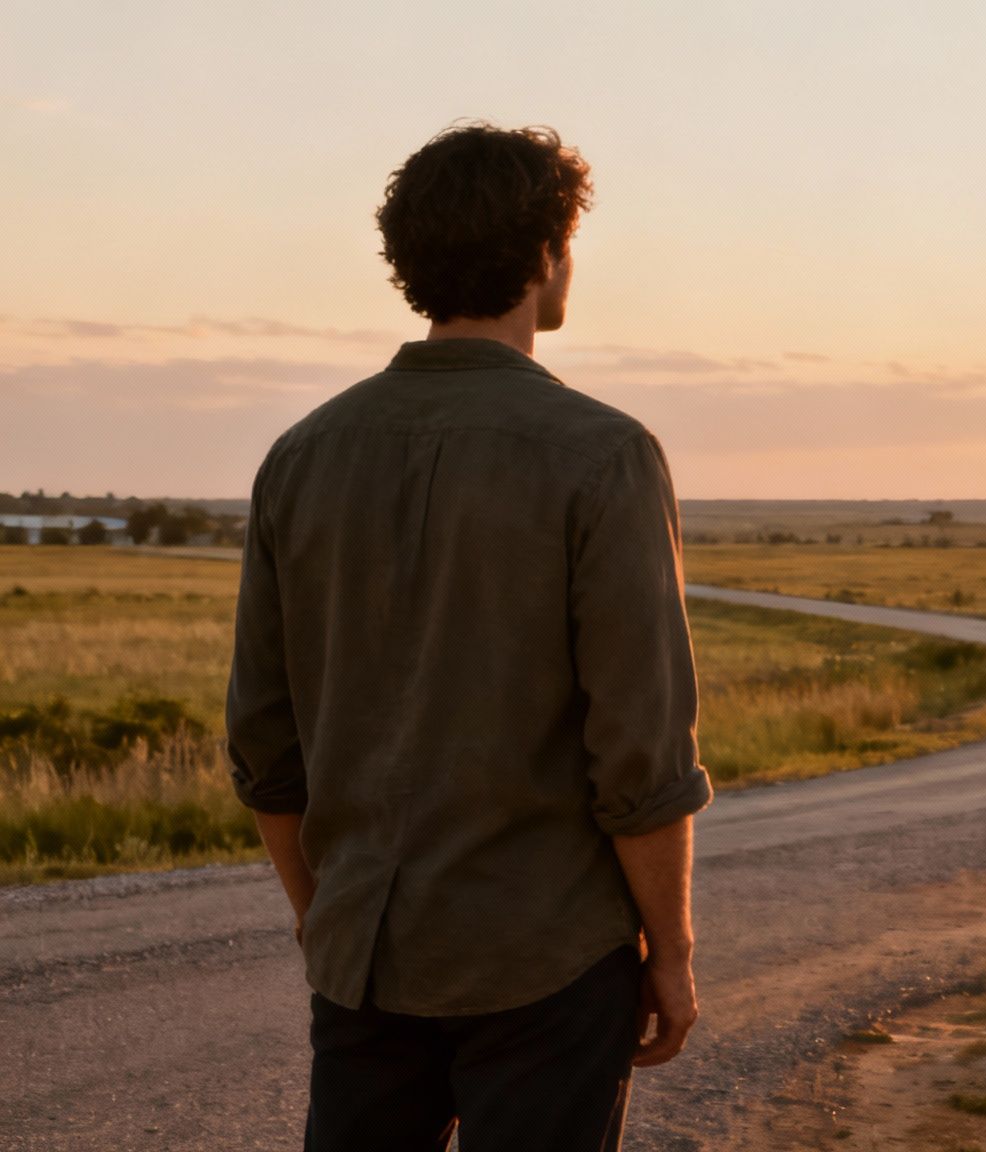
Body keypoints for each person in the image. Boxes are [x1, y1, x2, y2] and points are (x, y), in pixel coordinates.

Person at [225, 121, 712, 1152]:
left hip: (361, 953)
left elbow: (266, 750)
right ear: (543, 255)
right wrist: (667, 950)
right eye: (567, 243)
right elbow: (640, 752)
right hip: (546, 958)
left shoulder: (300, 455)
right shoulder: (604, 453)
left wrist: (327, 920)